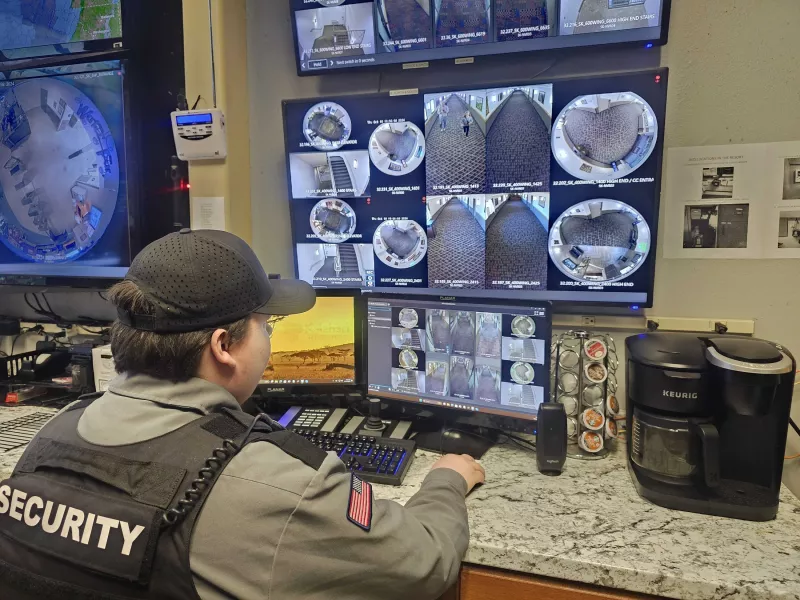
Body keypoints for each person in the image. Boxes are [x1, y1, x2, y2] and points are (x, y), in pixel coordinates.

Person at [0, 229, 485, 600]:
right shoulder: (276, 484)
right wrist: (447, 479)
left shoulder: (48, 438)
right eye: (266, 324)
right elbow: (424, 561)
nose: (270, 339)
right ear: (224, 347)